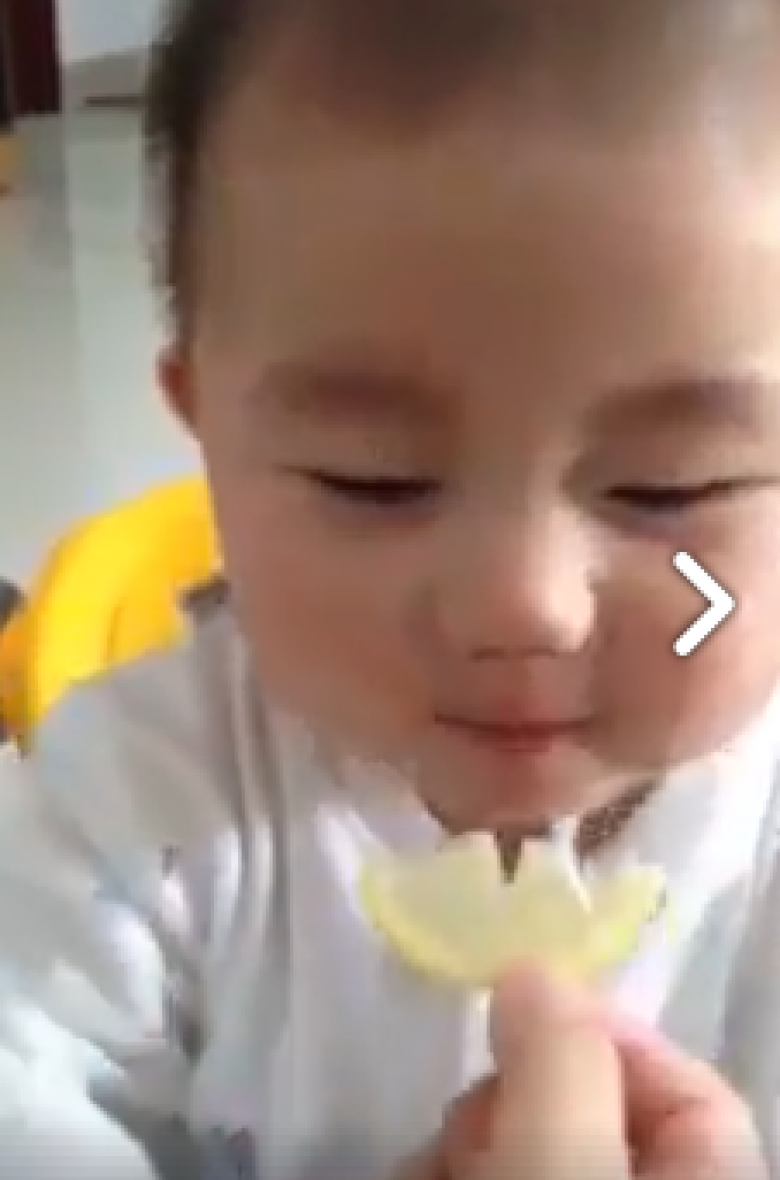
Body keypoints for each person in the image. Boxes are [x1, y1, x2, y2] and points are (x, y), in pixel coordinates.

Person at [1, 0, 780, 1175]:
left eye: (672, 487)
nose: (525, 607)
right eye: (373, 480)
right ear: (202, 426)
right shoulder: (129, 810)